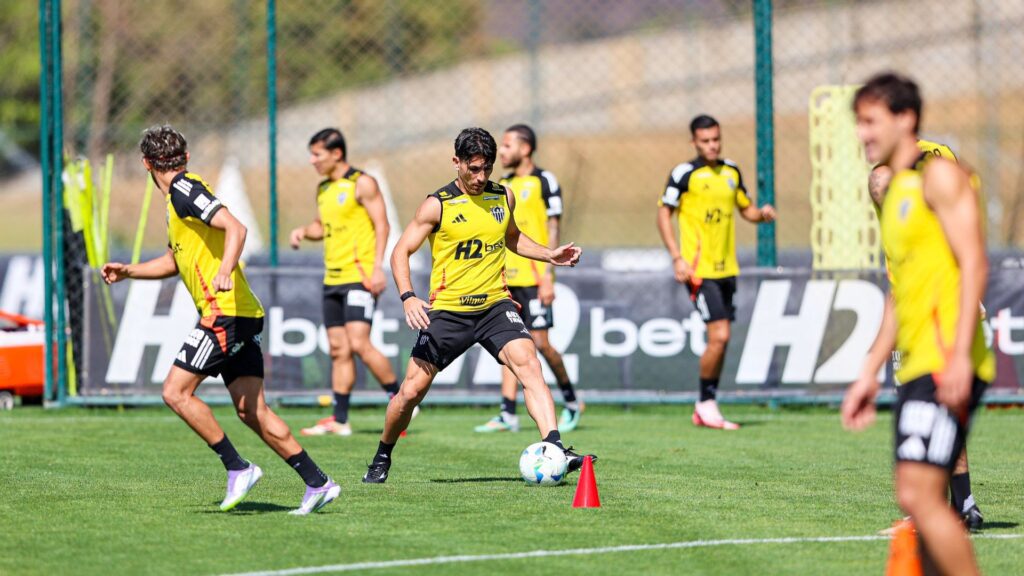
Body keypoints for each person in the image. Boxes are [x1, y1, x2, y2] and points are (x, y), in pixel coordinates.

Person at [102, 125, 339, 514]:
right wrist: (129, 271)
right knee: (251, 411)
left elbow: (236, 227)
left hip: (224, 312)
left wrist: (226, 269)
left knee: (175, 392)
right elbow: (173, 261)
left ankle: (237, 467)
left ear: (146, 164)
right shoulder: (178, 200)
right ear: (185, 156)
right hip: (240, 313)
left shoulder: (184, 189)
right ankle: (318, 483)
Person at [362, 127, 594, 483]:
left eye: (487, 168)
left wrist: (549, 254)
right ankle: (382, 455)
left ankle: (554, 447)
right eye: (473, 169)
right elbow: (400, 252)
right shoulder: (437, 204)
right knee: (410, 393)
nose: (481, 176)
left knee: (530, 366)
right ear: (456, 162)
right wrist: (408, 297)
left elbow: (512, 238)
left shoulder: (502, 196)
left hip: (495, 306)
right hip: (449, 312)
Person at [841, 73, 992, 575]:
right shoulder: (896, 192)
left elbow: (974, 263)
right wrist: (868, 372)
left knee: (922, 497)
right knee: (914, 492)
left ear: (906, 119)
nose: (861, 133)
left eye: (870, 121)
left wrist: (960, 355)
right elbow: (900, 292)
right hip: (918, 349)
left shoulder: (941, 177)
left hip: (947, 350)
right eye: (858, 122)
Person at [868, 139, 985, 532]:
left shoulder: (916, 175)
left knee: (924, 419)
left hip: (933, 322)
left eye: (871, 122)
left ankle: (933, 509)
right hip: (919, 316)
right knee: (937, 418)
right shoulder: (927, 167)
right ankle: (962, 504)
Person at [290, 128, 412, 437]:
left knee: (359, 343)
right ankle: (340, 420)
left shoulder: (362, 183)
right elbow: (322, 226)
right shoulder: (323, 188)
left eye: (317, 154)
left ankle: (401, 400)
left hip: (359, 278)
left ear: (336, 153)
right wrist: (304, 231)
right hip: (332, 278)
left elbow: (382, 225)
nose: (312, 160)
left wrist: (378, 268)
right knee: (338, 349)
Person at [656, 115, 776, 430]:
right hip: (698, 270)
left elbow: (745, 208)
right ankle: (705, 403)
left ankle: (707, 403)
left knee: (722, 339)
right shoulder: (684, 174)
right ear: (694, 142)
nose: (712, 145)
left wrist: (761, 215)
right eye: (705, 141)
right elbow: (664, 215)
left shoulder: (731, 171)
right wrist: (677, 257)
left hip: (727, 268)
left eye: (716, 139)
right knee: (719, 335)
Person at [474, 124, 583, 434]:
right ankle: (507, 413)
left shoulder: (544, 181)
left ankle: (571, 401)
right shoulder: (501, 185)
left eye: (508, 145)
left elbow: (553, 226)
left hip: (534, 278)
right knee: (510, 343)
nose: (502, 151)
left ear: (525, 148)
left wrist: (548, 276)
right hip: (505, 280)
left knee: (542, 343)